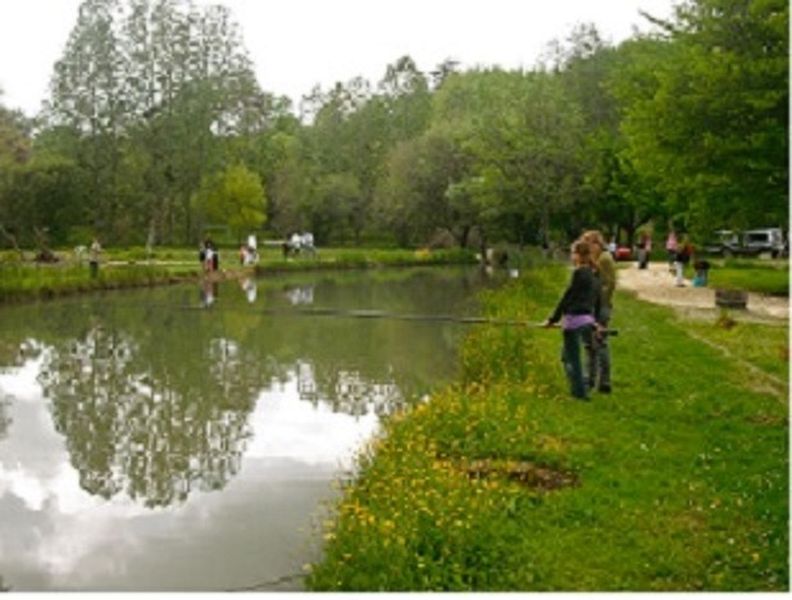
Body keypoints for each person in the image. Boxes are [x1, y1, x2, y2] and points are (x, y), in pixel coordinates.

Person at [544, 240, 601, 400]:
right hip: (587, 320)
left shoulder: (579, 273)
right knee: (566, 357)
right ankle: (582, 386)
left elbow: (567, 297)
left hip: (574, 321)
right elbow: (595, 300)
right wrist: (595, 321)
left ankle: (580, 393)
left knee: (573, 360)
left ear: (578, 255)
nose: (571, 256)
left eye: (572, 253)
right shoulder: (592, 273)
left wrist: (553, 319)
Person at [581, 230, 616, 393]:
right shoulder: (595, 259)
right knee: (590, 344)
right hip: (593, 306)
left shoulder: (604, 259)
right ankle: (590, 379)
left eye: (588, 244)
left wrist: (599, 303)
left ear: (597, 244)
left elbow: (608, 284)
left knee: (599, 342)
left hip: (600, 307)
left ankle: (603, 381)